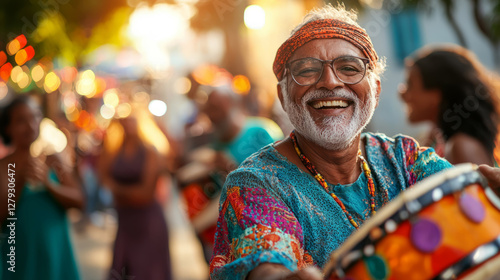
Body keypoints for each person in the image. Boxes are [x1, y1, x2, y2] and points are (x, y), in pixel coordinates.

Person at [209, 5, 455, 280]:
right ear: (282, 94)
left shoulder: (403, 158)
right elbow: (264, 259)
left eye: (349, 68)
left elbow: (464, 199)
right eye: (307, 71)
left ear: (375, 89)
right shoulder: (256, 183)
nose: (329, 81)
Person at [0, 95, 83, 280]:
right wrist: (19, 180)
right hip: (19, 258)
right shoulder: (4, 167)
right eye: (21, 120)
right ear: (8, 127)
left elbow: (79, 201)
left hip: (56, 255)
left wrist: (49, 184)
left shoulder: (54, 160)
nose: (30, 125)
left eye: (35, 116)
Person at [99, 115, 172, 280]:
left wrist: (118, 191)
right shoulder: (115, 149)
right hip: (125, 221)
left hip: (147, 222)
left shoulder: (150, 151)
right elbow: (102, 176)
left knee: (146, 270)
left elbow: (145, 194)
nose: (127, 124)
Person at [400, 45, 499, 166]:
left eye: (410, 84)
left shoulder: (461, 146)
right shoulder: (440, 137)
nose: (402, 93)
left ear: (436, 94)